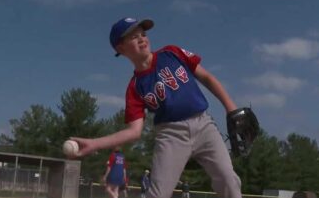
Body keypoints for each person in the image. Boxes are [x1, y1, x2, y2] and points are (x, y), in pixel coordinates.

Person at [70, 17, 242, 198]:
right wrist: (95, 143)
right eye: (133, 37)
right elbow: (134, 132)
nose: (142, 38)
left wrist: (231, 108)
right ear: (121, 48)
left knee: (228, 180)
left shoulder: (172, 53)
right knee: (157, 194)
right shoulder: (135, 87)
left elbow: (206, 77)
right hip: (171, 135)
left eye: (143, 34)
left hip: (204, 124)